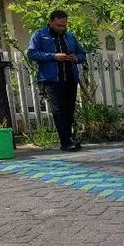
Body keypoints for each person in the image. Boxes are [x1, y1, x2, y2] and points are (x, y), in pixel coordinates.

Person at [26, 9, 87, 152]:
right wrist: (53, 56)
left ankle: (70, 139)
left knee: (69, 110)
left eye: (64, 25)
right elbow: (32, 53)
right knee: (58, 110)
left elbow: (82, 54)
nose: (62, 28)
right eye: (59, 25)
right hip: (52, 79)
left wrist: (75, 58)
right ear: (51, 22)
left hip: (70, 78)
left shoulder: (70, 37)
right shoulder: (40, 35)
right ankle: (65, 142)